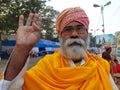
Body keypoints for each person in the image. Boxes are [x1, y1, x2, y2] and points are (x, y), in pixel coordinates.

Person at [0, 7, 118, 90]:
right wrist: (21, 49)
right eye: (67, 29)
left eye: (80, 29)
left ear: (87, 33)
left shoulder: (100, 67)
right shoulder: (47, 65)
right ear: (60, 35)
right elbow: (10, 87)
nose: (74, 34)